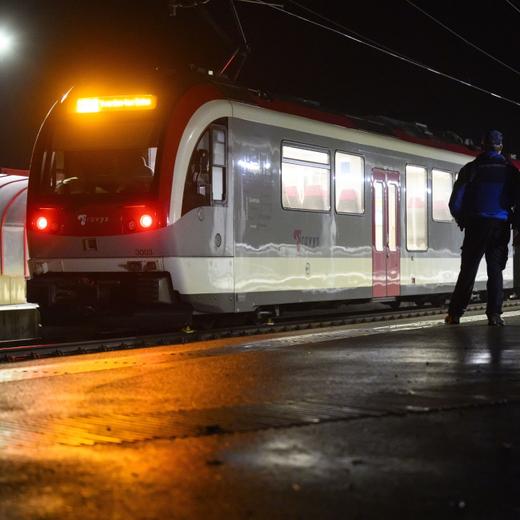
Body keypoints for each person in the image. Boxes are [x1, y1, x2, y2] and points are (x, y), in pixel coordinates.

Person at [445, 129, 520, 326]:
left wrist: (462, 219)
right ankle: (494, 315)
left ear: (482, 145)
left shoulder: (471, 169)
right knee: (495, 271)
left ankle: (455, 314)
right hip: (500, 226)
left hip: (475, 225)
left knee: (468, 270)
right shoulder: (510, 171)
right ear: (501, 147)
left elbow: (455, 202)